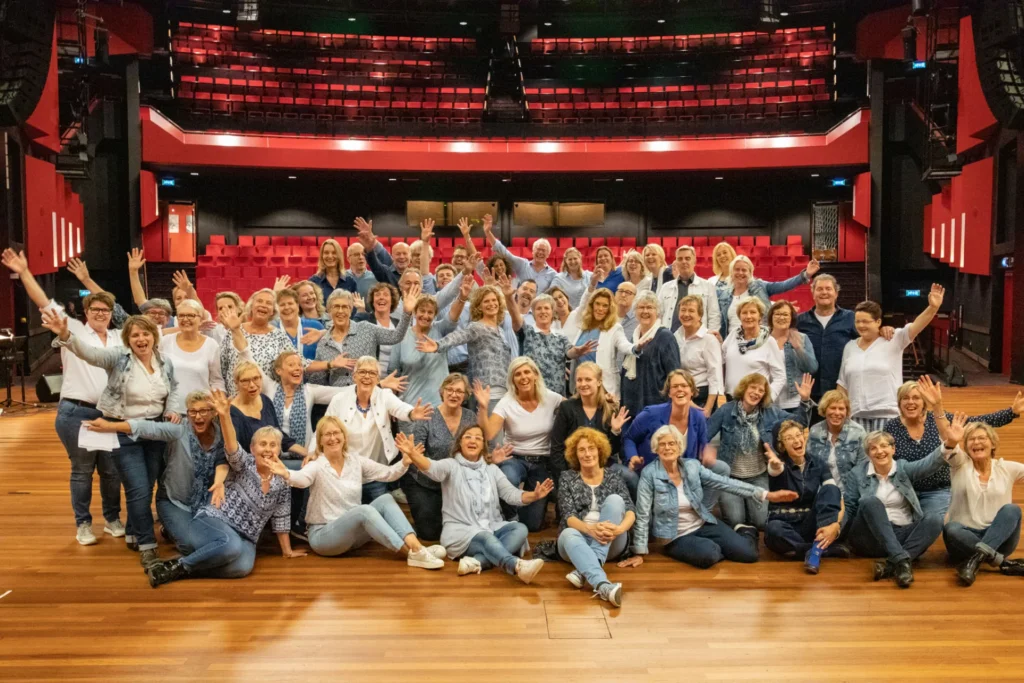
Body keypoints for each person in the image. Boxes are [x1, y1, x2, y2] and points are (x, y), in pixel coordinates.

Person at [2, 249, 125, 546]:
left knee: (110, 472)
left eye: (105, 310)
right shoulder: (75, 330)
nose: (100, 314)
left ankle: (112, 519)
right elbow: (43, 302)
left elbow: (155, 330)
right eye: (94, 309)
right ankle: (83, 524)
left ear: (111, 314)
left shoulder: (122, 337)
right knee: (82, 471)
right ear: (86, 312)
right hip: (77, 413)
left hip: (110, 415)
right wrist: (25, 272)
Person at [42, 310, 181, 569]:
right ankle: (148, 546)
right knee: (138, 490)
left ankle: (132, 532)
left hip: (154, 432)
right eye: (135, 335)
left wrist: (172, 409)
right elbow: (90, 354)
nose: (141, 339)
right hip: (123, 432)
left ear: (154, 337)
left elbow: (172, 389)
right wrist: (66, 335)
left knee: (146, 487)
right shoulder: (119, 358)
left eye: (146, 333)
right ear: (128, 340)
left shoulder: (166, 362)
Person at [144, 396, 306, 587]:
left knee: (242, 567)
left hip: (247, 536)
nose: (268, 450)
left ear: (279, 450)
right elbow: (231, 446)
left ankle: (184, 567)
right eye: (263, 444)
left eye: (273, 445)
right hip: (218, 519)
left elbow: (282, 518)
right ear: (252, 449)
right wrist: (225, 415)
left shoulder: (283, 481)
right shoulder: (244, 464)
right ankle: (175, 568)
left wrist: (287, 551)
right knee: (230, 546)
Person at [276, 416, 445, 568]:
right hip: (324, 537)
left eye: (337, 433)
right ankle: (411, 554)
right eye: (327, 434)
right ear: (320, 441)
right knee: (364, 510)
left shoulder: (355, 461)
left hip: (353, 537)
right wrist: (286, 473)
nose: (333, 438)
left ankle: (417, 547)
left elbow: (388, 473)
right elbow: (301, 479)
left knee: (385, 499)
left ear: (344, 437)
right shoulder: (317, 465)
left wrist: (405, 462)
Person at [624, 424, 798, 569]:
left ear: (679, 446)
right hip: (674, 536)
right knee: (709, 555)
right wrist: (639, 551)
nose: (668, 448)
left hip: (702, 523)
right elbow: (643, 512)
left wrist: (767, 495)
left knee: (749, 555)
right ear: (656, 448)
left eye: (672, 443)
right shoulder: (649, 473)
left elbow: (725, 482)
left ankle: (746, 531)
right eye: (662, 444)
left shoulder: (692, 466)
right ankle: (713, 545)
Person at [395, 426, 551, 583]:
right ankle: (517, 567)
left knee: (520, 529)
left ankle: (477, 562)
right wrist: (412, 453)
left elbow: (511, 494)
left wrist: (534, 495)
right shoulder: (451, 465)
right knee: (485, 537)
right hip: (460, 532)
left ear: (483, 445)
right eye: (468, 437)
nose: (472, 440)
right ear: (460, 443)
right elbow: (431, 467)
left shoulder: (491, 469)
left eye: (478, 438)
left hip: (491, 527)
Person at [83, 390, 229, 556]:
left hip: (207, 503)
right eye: (192, 412)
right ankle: (171, 526)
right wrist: (111, 426)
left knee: (219, 538)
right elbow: (148, 427)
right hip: (175, 502)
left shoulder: (222, 434)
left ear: (214, 413)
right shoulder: (179, 430)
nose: (198, 417)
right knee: (190, 546)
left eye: (203, 411)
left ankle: (176, 529)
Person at [886, 376, 1022, 517]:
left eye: (916, 398)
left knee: (932, 521)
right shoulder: (891, 427)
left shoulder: (938, 420)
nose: (911, 402)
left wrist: (1011, 412)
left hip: (938, 489)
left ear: (924, 402)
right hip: (905, 488)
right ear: (899, 403)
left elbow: (977, 422)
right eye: (905, 398)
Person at [842, 426, 954, 589]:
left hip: (902, 535)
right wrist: (837, 531)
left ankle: (895, 563)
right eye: (873, 448)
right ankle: (901, 560)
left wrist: (949, 444)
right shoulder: (857, 474)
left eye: (884, 446)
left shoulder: (903, 468)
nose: (879, 451)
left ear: (893, 449)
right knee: (870, 502)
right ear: (868, 454)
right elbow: (850, 507)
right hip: (869, 539)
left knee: (935, 519)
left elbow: (928, 464)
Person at [314, 356, 433, 502]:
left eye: (372, 373)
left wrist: (412, 413)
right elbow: (323, 429)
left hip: (377, 473)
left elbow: (400, 408)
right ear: (354, 376)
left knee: (378, 514)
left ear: (377, 379)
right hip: (346, 473)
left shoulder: (385, 395)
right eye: (362, 372)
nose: (367, 377)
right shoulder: (339, 399)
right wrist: (312, 452)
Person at [705, 372, 815, 529]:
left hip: (758, 476)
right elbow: (704, 434)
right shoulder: (726, 411)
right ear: (744, 389)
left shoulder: (770, 412)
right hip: (730, 477)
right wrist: (706, 450)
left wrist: (804, 400)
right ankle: (742, 510)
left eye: (761, 390)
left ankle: (749, 508)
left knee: (761, 522)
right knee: (736, 520)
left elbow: (800, 423)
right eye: (753, 388)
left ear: (764, 395)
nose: (756, 393)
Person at [837, 284, 945, 432]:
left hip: (888, 415)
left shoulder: (893, 339)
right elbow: (842, 385)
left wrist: (932, 308)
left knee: (883, 454)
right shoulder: (849, 347)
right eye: (857, 321)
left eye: (866, 321)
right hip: (856, 417)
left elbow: (916, 326)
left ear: (878, 322)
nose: (861, 325)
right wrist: (841, 412)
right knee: (860, 455)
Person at [475, 357, 564, 531]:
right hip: (514, 457)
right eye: (517, 374)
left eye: (527, 372)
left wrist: (602, 398)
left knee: (531, 525)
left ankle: (531, 511)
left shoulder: (551, 397)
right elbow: (489, 433)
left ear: (535, 375)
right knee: (508, 477)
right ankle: (508, 515)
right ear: (512, 379)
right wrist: (484, 407)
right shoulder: (507, 401)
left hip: (543, 461)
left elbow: (574, 407)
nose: (523, 377)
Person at [556, 428, 636, 607]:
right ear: (574, 454)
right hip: (577, 541)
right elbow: (568, 516)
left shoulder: (614, 477)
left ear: (599, 450)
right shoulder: (567, 478)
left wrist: (620, 529)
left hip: (611, 538)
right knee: (569, 533)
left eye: (591, 448)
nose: (587, 454)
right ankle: (603, 584)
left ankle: (585, 570)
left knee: (615, 500)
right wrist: (591, 530)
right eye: (581, 450)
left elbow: (630, 509)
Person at [941, 420, 1024, 585]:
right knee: (952, 528)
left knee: (1012, 510)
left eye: (982, 438)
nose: (977, 442)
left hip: (999, 540)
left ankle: (974, 562)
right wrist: (951, 440)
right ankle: (1003, 563)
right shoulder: (960, 464)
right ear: (966, 446)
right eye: (971, 439)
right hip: (963, 541)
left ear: (993, 444)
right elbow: (948, 450)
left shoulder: (1007, 468)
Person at [402, 373, 480, 541]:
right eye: (449, 390)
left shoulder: (470, 417)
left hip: (457, 484)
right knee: (430, 534)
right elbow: (416, 454)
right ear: (442, 392)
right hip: (425, 482)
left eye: (459, 391)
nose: (454, 394)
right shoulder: (428, 415)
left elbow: (475, 450)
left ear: (465, 396)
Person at [764, 420, 846, 573]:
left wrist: (836, 525)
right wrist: (774, 465)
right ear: (782, 445)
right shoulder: (779, 464)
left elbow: (835, 495)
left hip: (809, 524)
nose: (796, 440)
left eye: (798, 435)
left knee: (831, 489)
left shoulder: (818, 462)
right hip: (784, 525)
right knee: (774, 529)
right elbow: (775, 469)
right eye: (789, 438)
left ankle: (806, 550)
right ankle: (819, 550)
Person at [415, 284, 514, 408]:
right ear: (479, 307)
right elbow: (458, 336)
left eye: (494, 300)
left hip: (505, 392)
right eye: (486, 301)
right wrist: (438, 345)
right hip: (487, 392)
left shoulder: (501, 330)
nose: (491, 304)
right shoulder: (476, 327)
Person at [550, 362, 636, 499]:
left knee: (631, 477)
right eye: (579, 380)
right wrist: (565, 477)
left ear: (599, 382)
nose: (583, 384)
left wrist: (615, 431)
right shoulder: (567, 407)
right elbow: (556, 447)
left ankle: (635, 518)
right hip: (573, 467)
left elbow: (612, 451)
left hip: (603, 466)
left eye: (588, 379)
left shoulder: (609, 408)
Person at [310, 287, 415, 387]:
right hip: (339, 400)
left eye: (345, 307)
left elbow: (395, 336)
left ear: (351, 311)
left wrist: (407, 312)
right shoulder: (323, 343)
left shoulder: (366, 328)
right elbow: (318, 381)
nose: (340, 311)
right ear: (329, 311)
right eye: (336, 307)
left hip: (370, 396)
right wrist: (330, 365)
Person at [715, 254, 819, 338]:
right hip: (732, 342)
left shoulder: (760, 286)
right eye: (737, 269)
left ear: (750, 272)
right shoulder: (723, 295)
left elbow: (783, 286)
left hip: (760, 340)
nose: (740, 273)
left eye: (744, 270)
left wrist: (806, 275)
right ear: (731, 272)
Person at [514, 293, 596, 397]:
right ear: (533, 313)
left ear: (552, 312)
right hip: (533, 395)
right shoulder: (527, 332)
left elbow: (570, 352)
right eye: (539, 308)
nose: (543, 311)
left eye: (546, 308)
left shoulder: (560, 336)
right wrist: (509, 297)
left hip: (557, 397)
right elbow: (516, 319)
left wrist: (578, 351)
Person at [219, 288, 296, 395]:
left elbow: (294, 363)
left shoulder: (280, 336)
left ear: (273, 311)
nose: (263, 305)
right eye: (259, 301)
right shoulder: (233, 330)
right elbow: (222, 368)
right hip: (235, 399)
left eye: (269, 303)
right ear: (251, 307)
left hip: (265, 399)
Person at [561, 287, 635, 398]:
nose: (600, 308)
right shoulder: (583, 325)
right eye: (598, 304)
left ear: (610, 309)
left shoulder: (615, 328)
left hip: (603, 389)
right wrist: (576, 351)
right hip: (581, 387)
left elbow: (623, 345)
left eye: (605, 306)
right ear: (592, 305)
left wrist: (635, 348)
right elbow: (572, 353)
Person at [387, 293, 457, 410]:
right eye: (422, 311)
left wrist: (463, 298)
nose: (425, 315)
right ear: (415, 312)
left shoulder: (441, 329)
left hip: (440, 404)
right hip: (410, 404)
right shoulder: (401, 335)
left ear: (435, 315)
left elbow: (453, 317)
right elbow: (393, 373)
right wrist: (393, 404)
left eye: (430, 312)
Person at [228, 360, 307, 464]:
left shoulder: (265, 400)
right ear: (236, 384)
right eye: (245, 381)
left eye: (256, 378)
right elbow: (234, 452)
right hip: (248, 468)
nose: (252, 385)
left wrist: (307, 453)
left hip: (273, 463)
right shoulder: (231, 412)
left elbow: (278, 435)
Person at [796, 274, 857, 401]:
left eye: (828, 289)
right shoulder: (799, 321)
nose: (824, 292)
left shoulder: (851, 318)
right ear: (813, 293)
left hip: (841, 389)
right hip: (808, 392)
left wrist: (885, 329)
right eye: (819, 289)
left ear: (836, 293)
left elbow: (867, 339)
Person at [619, 291, 680, 419]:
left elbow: (674, 374)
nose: (645, 311)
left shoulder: (665, 337)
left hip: (656, 408)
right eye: (641, 307)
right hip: (631, 407)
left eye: (650, 307)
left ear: (657, 312)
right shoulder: (633, 338)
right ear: (635, 311)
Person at [159, 299, 224, 413]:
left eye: (191, 315)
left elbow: (216, 380)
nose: (185, 319)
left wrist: (218, 404)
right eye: (181, 315)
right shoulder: (165, 342)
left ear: (200, 319)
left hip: (203, 413)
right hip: (173, 414)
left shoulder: (211, 345)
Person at [722, 297, 787, 402]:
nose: (748, 316)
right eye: (744, 313)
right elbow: (721, 361)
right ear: (739, 316)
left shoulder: (769, 341)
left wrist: (768, 398)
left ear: (760, 316)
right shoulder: (733, 335)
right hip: (731, 400)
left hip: (755, 402)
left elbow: (780, 376)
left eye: (753, 312)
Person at [806, 389, 866, 493]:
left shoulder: (858, 432)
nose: (837, 413)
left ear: (846, 411)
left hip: (850, 493)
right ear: (825, 410)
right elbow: (809, 465)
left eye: (841, 409)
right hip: (820, 492)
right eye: (833, 408)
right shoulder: (815, 431)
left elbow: (863, 469)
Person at [673, 295, 724, 416]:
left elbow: (715, 376)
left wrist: (708, 409)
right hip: (680, 394)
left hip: (701, 396)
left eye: (691, 311)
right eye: (683, 310)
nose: (686, 314)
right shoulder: (676, 336)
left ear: (700, 315)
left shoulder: (709, 339)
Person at [656, 245, 721, 334]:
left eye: (687, 258)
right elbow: (658, 314)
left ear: (694, 261)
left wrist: (710, 336)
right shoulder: (665, 287)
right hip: (670, 337)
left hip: (699, 338)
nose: (684, 262)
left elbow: (714, 316)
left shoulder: (708, 286)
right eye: (680, 259)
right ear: (676, 263)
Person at [768, 300, 818, 410]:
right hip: (768, 401)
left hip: (794, 402)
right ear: (771, 317)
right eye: (777, 314)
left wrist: (798, 348)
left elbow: (812, 368)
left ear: (792, 318)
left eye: (785, 314)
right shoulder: (762, 339)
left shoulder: (802, 338)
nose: (781, 318)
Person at [273, 286, 325, 362]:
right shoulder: (273, 330)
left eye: (290, 303)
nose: (286, 307)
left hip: (313, 373)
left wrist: (324, 332)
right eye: (282, 305)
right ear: (277, 308)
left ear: (297, 305)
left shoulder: (316, 326)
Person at [309, 238, 358, 303]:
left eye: (334, 253)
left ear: (339, 255)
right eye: (326, 253)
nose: (330, 256)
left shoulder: (350, 282)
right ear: (322, 256)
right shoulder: (313, 282)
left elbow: (355, 307)